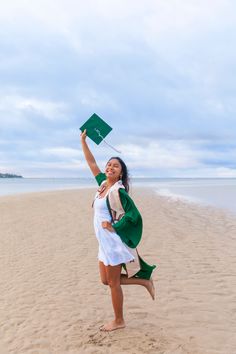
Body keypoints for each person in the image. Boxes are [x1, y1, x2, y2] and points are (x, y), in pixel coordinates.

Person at [80, 129, 156, 332]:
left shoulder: (118, 190)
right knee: (105, 280)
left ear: (121, 172)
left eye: (115, 166)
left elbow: (134, 216)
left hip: (112, 242)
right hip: (102, 242)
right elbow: (92, 163)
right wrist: (83, 141)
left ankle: (119, 320)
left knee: (114, 283)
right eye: (109, 164)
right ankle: (143, 280)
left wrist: (114, 226)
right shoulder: (103, 184)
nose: (110, 167)